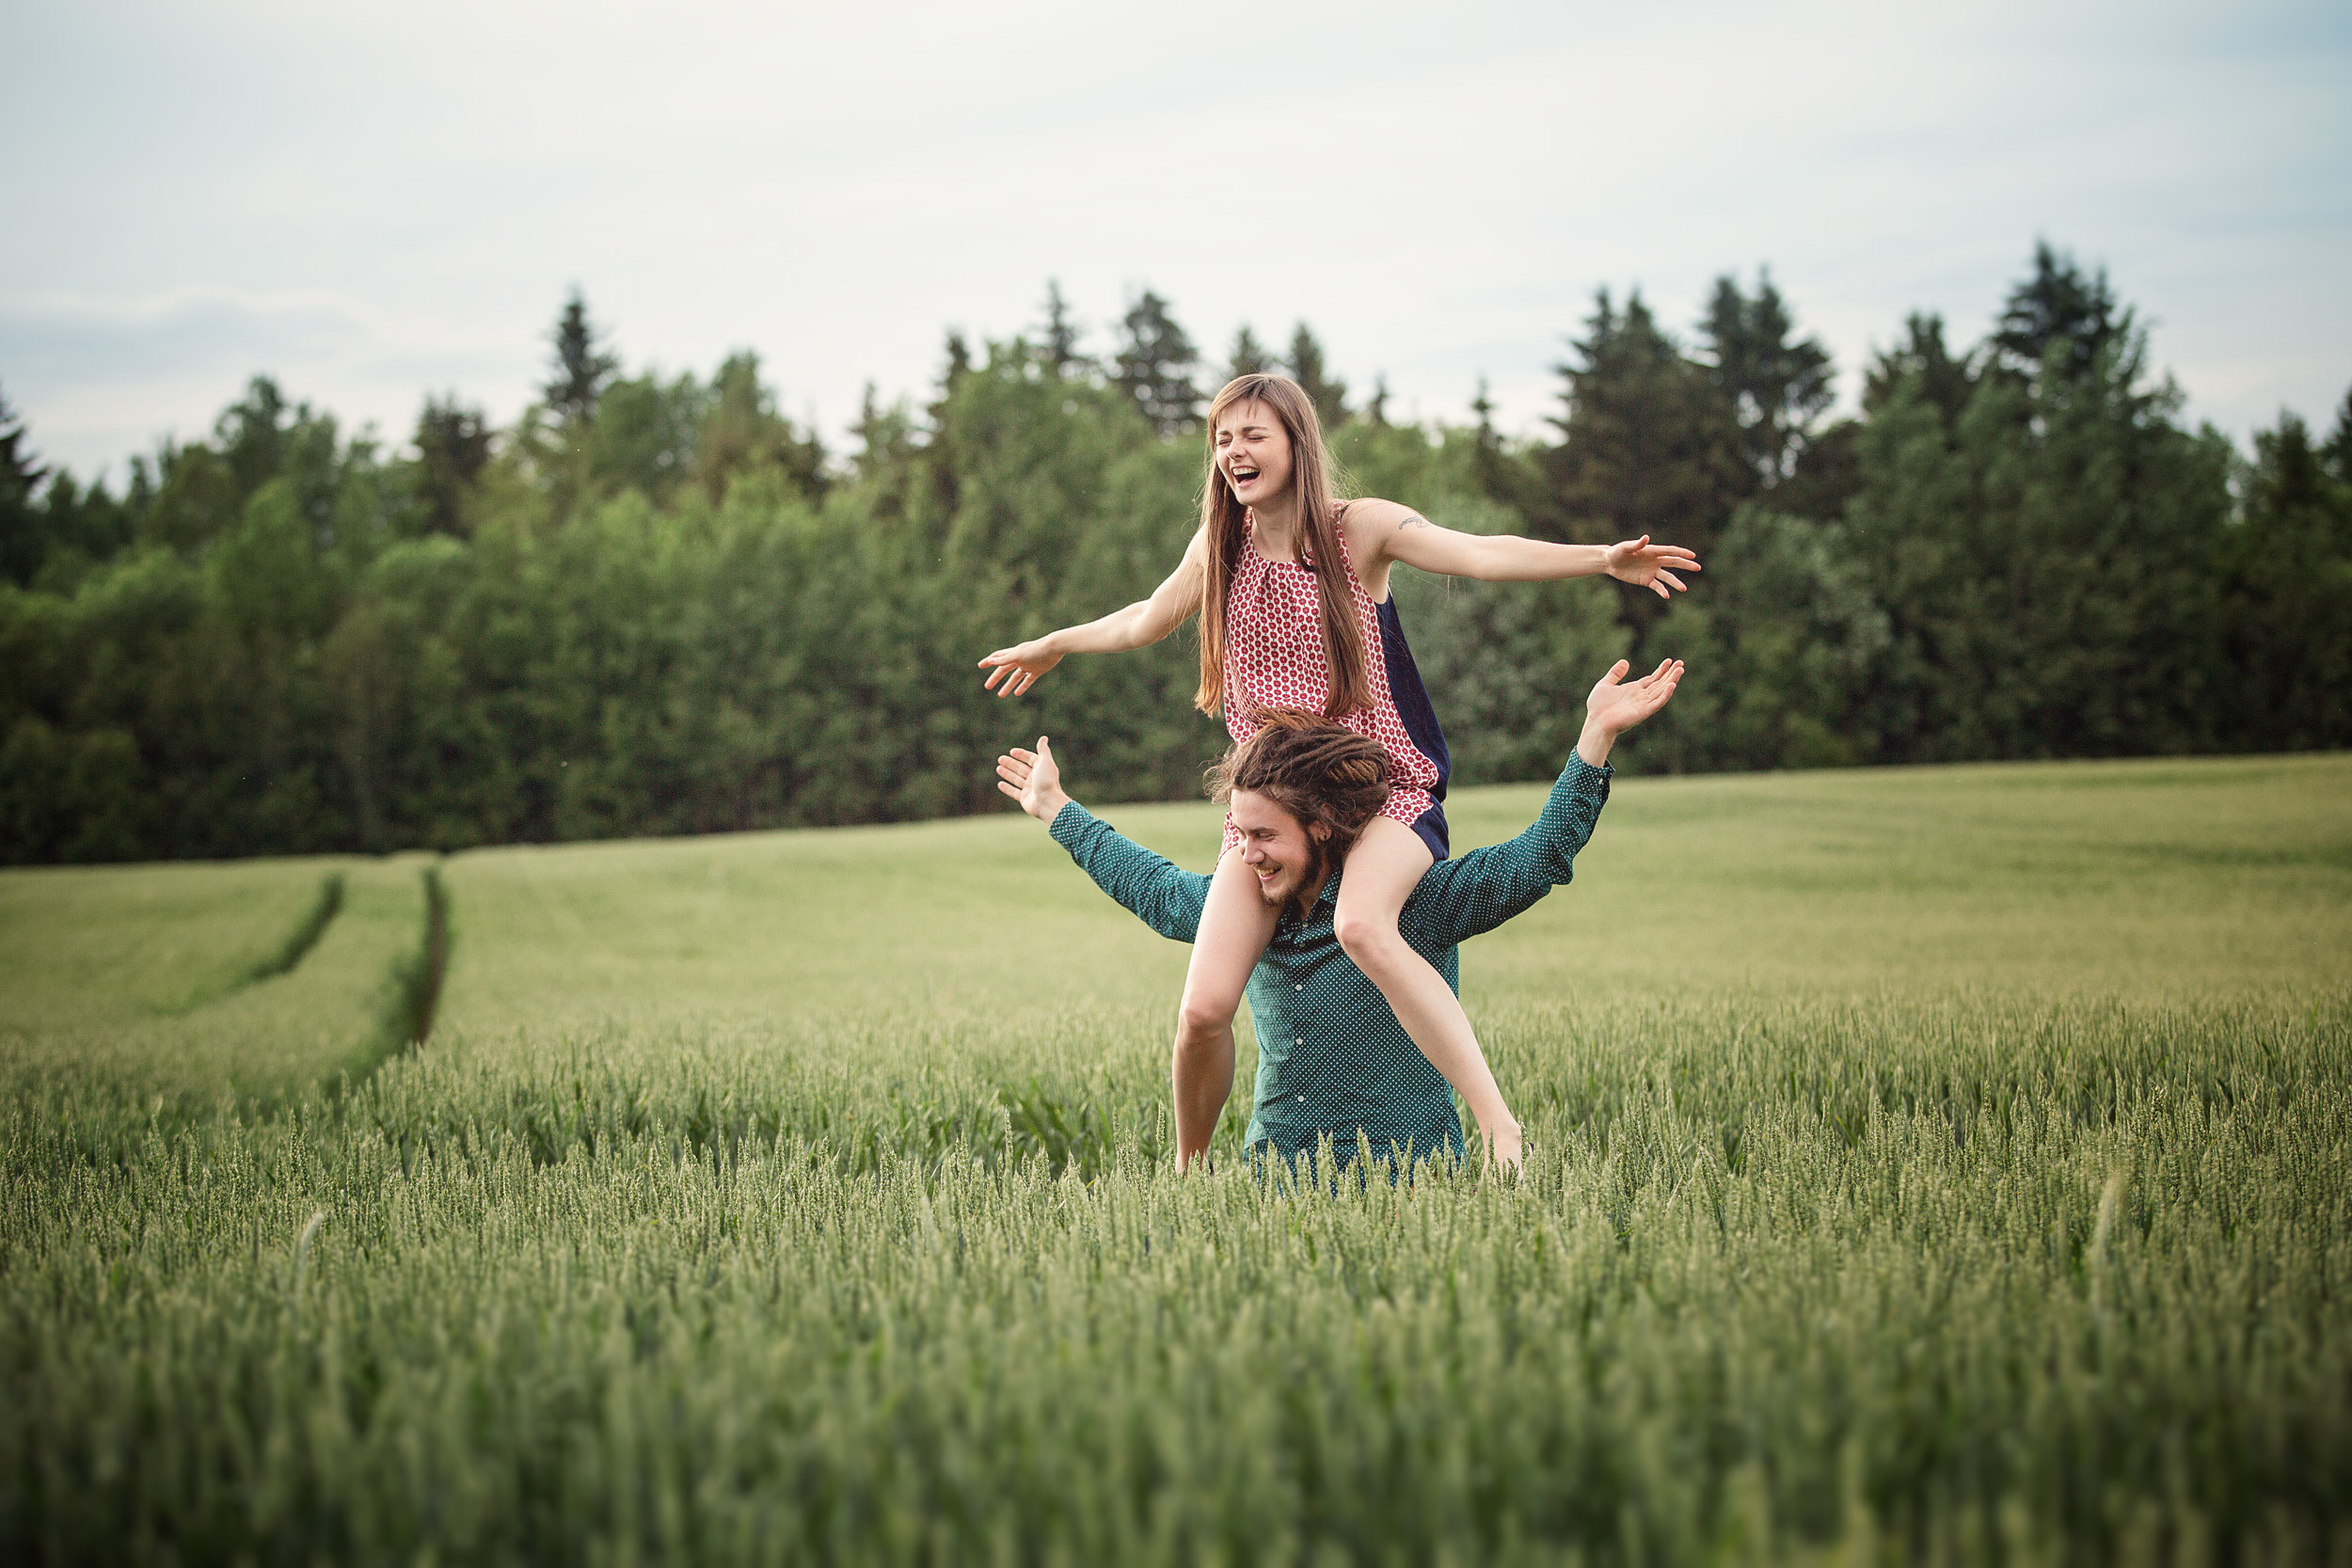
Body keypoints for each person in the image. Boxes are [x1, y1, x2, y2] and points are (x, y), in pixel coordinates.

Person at [978, 373, 1700, 1174]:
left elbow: (1479, 553)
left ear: (1296, 441)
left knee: (1361, 924)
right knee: (1203, 1007)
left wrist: (1602, 559)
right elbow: (1144, 618)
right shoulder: (1219, 547)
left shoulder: (1359, 531)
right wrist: (1055, 643)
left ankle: (1498, 1124)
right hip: (1274, 804)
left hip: (1381, 795)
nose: (1233, 451)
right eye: (1222, 438)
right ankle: (1189, 1170)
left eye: (1253, 434)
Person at [994, 655, 1683, 1173]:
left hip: (1414, 1183)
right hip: (1275, 1186)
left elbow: (1534, 860)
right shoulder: (1246, 913)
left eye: (1264, 836)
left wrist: (1594, 740)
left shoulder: (1409, 904)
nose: (1246, 854)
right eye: (1239, 835)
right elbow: (1150, 884)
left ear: (1320, 825)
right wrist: (1056, 808)